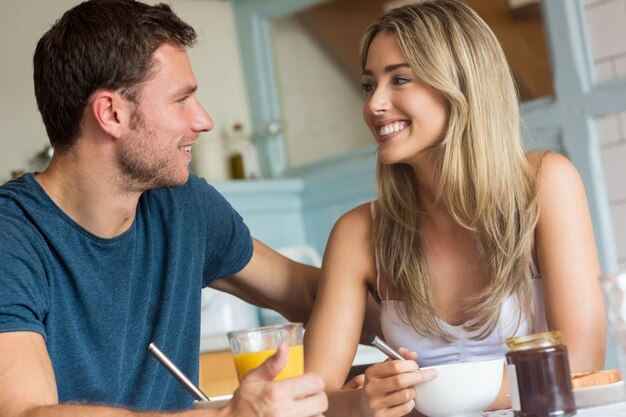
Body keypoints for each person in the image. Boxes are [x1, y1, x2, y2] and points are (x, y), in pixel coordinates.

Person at [0, 1, 331, 416]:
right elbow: (25, 412)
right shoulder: (11, 237)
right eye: (182, 100)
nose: (204, 120)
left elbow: (306, 292)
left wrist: (425, 316)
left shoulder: (183, 205)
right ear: (111, 114)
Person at [303, 1, 606, 416]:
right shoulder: (358, 232)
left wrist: (433, 398)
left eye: (401, 79)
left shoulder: (545, 183)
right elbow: (310, 400)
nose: (375, 104)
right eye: (369, 85)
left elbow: (581, 361)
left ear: (462, 84)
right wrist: (359, 401)